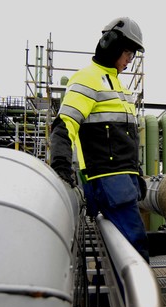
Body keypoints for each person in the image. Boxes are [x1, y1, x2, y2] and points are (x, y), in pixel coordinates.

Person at [49, 17, 149, 262]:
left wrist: (135, 172)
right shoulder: (87, 79)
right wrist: (61, 166)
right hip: (108, 179)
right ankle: (139, 300)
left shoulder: (119, 86)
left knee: (118, 243)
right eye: (128, 53)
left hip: (121, 181)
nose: (129, 60)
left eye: (133, 55)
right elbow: (64, 125)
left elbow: (125, 139)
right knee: (135, 249)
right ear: (110, 45)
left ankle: (114, 291)